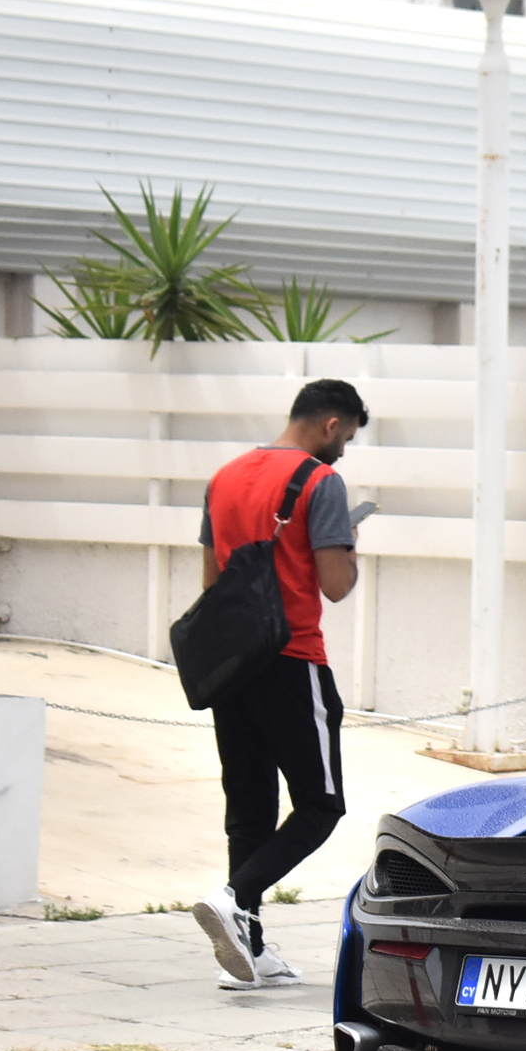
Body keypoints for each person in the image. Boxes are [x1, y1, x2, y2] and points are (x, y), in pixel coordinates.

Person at [189, 380, 368, 989]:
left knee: (250, 805)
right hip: (294, 660)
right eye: (346, 436)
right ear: (330, 423)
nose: (343, 448)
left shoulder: (225, 476)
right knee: (320, 804)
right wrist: (351, 543)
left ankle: (249, 951)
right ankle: (234, 896)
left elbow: (212, 580)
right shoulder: (321, 482)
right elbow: (335, 584)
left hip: (234, 664)